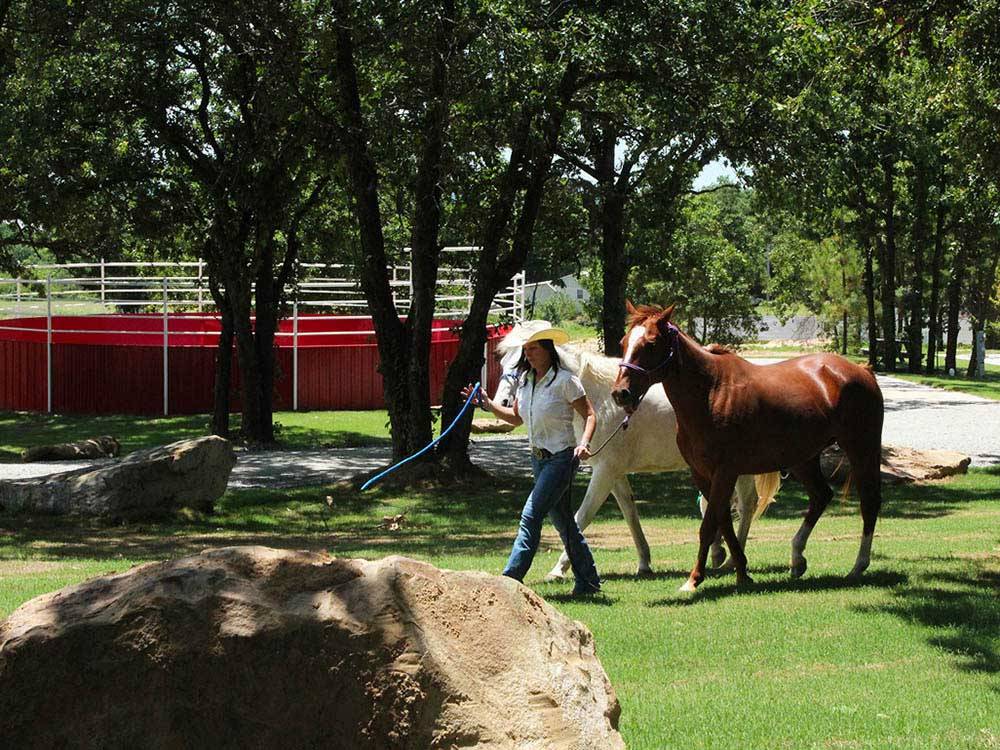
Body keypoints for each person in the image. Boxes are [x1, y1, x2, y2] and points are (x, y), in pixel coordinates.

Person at [462, 320, 602, 596]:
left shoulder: (565, 381)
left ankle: (510, 579)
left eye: (534, 348)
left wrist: (584, 443)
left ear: (548, 349)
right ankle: (588, 581)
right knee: (564, 522)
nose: (529, 354)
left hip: (562, 459)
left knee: (530, 515)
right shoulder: (526, 382)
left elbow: (590, 415)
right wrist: (489, 405)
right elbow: (515, 419)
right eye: (526, 349)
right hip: (538, 460)